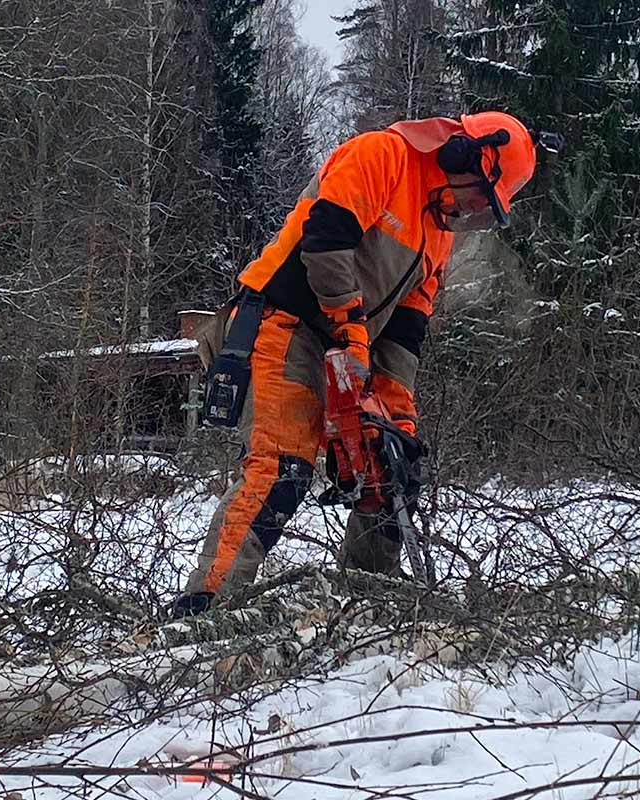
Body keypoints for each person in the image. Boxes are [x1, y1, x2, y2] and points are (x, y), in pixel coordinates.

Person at [173, 111, 543, 618]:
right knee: (282, 467)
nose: (474, 208)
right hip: (286, 321)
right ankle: (206, 603)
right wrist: (349, 328)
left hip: (346, 341)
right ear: (462, 155)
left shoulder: (438, 233)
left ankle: (367, 605)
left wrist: (397, 413)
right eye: (480, 194)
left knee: (391, 468)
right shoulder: (383, 156)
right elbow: (325, 239)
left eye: (485, 206)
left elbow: (405, 332)